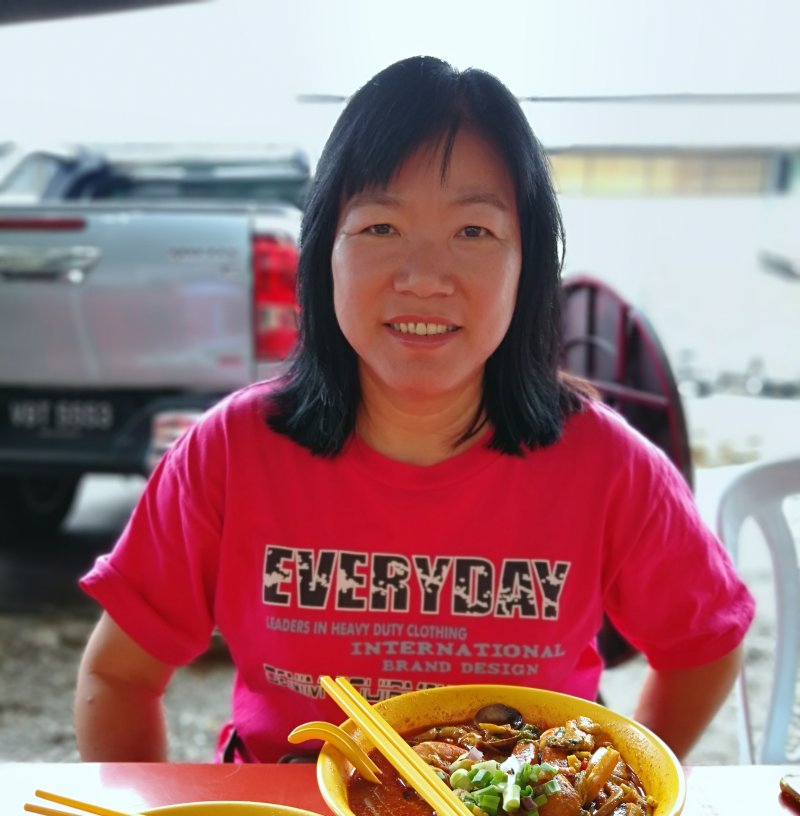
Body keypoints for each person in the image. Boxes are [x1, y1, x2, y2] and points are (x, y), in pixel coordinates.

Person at [74, 55, 754, 765]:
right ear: (322, 252)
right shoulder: (231, 452)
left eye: (474, 233)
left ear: (528, 267)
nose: (424, 277)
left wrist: (613, 791)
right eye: (379, 228)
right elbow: (118, 675)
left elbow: (705, 645)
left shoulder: (608, 466)